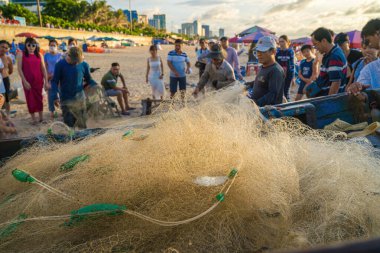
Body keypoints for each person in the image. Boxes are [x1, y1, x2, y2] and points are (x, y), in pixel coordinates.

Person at [51, 47, 97, 128]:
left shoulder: (84, 65)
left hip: (80, 99)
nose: (75, 63)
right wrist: (55, 95)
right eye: (74, 61)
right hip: (66, 99)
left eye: (77, 62)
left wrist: (95, 85)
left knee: (82, 123)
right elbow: (54, 81)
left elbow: (89, 79)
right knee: (69, 124)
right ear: (68, 56)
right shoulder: (60, 65)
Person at [306, 27, 347, 97]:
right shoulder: (334, 51)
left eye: (315, 44)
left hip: (327, 101)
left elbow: (335, 84)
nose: (315, 48)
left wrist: (328, 103)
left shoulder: (334, 57)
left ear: (324, 41)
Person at [16, 38, 49, 125]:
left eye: (33, 45)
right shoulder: (21, 54)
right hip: (28, 81)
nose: (31, 47)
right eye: (29, 45)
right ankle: (33, 119)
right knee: (30, 99)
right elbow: (19, 69)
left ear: (36, 46)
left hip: (38, 81)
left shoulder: (39, 54)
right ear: (25, 45)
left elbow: (43, 69)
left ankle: (41, 118)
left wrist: (46, 81)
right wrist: (24, 81)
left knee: (39, 98)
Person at [246, 36, 285, 106]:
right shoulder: (262, 67)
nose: (259, 54)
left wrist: (255, 104)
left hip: (267, 112)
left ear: (273, 51)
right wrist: (248, 85)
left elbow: (272, 95)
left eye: (262, 51)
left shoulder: (275, 71)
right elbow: (260, 82)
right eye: (258, 51)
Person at [44, 39, 63, 119]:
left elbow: (63, 67)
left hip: (59, 77)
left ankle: (63, 109)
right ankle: (52, 111)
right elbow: (45, 67)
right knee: (50, 95)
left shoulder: (60, 55)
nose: (52, 47)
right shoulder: (46, 55)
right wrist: (47, 76)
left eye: (54, 45)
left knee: (61, 93)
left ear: (57, 47)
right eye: (51, 45)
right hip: (50, 77)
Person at [276, 35, 295, 101]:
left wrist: (293, 78)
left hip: (288, 74)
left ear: (287, 42)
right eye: (280, 42)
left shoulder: (290, 52)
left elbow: (292, 65)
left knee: (286, 92)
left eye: (283, 41)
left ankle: (288, 104)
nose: (281, 43)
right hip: (279, 74)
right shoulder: (277, 52)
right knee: (279, 92)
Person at [0, 40, 14, 116]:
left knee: (7, 97)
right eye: (2, 46)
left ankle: (8, 113)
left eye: (6, 48)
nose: (4, 49)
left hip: (5, 79)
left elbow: (11, 70)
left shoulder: (8, 58)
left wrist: (5, 74)